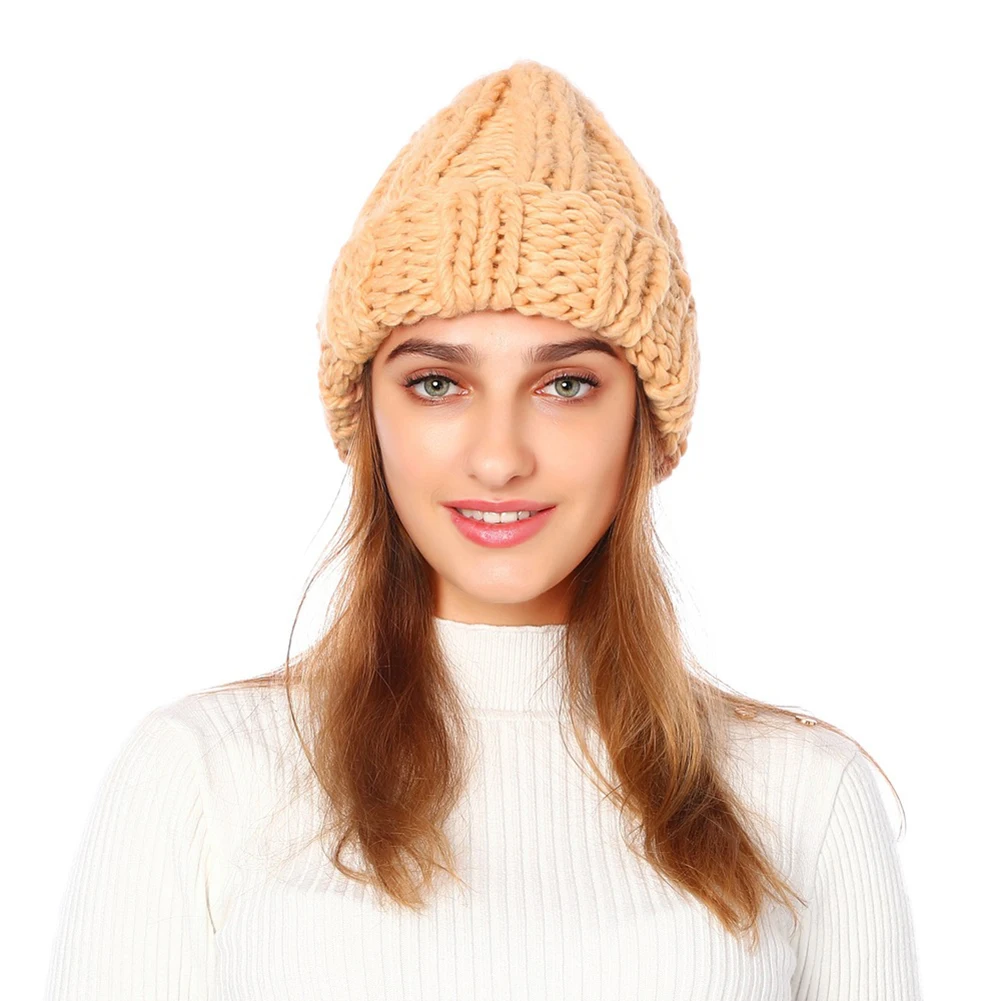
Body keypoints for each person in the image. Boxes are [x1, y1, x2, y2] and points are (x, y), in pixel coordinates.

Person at [43, 59, 923, 1000]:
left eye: (565, 384)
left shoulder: (803, 794)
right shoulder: (202, 773)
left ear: (643, 420)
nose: (498, 457)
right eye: (437, 382)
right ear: (368, 414)